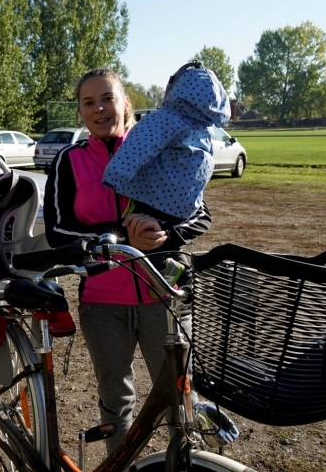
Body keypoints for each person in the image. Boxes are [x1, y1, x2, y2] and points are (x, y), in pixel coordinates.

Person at [44, 67, 212, 455]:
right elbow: (58, 232)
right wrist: (117, 236)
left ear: (126, 104)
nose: (100, 108)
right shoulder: (68, 161)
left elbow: (200, 213)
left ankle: (184, 464)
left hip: (163, 296)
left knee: (180, 399)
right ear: (81, 112)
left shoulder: (160, 145)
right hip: (103, 304)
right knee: (116, 405)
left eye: (108, 98)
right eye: (89, 102)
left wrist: (166, 233)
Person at [102, 61, 230, 288]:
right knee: (166, 245)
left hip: (155, 198)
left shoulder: (166, 119)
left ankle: (176, 274)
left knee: (140, 240)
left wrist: (115, 174)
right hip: (185, 207)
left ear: (178, 90)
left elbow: (140, 146)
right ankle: (180, 272)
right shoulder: (204, 131)